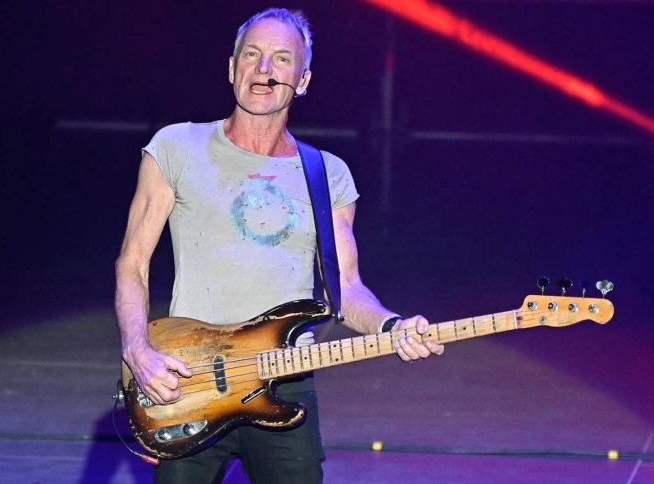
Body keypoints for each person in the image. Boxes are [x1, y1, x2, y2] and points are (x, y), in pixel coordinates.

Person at [115, 7, 445, 483]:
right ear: (233, 68)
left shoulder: (326, 174)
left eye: (282, 58)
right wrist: (137, 349)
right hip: (191, 381)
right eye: (252, 54)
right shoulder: (176, 146)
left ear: (303, 80)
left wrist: (392, 326)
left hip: (284, 382)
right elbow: (132, 263)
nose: (265, 68)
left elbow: (346, 289)